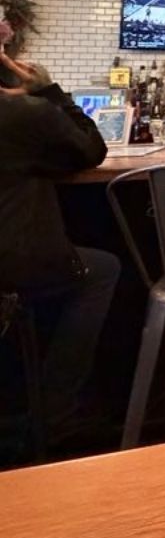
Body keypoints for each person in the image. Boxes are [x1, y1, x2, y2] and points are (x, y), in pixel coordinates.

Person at [0, 50, 119, 443]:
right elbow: (90, 149)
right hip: (16, 263)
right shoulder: (26, 114)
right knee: (102, 270)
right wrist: (50, 91)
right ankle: (55, 413)